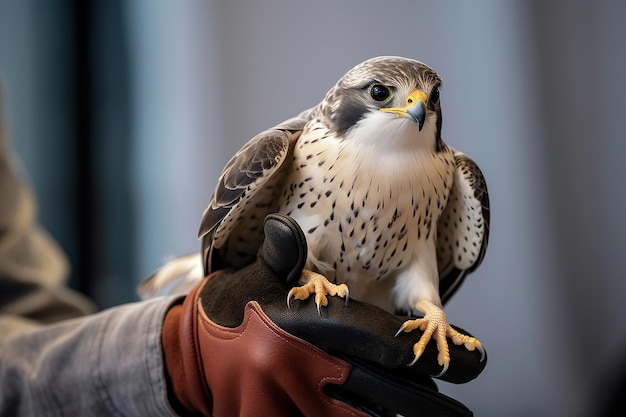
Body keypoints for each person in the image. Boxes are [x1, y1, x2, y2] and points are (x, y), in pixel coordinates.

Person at [0, 89, 484, 417]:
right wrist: (179, 352)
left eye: (428, 98)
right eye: (384, 93)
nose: (417, 107)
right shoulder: (293, 148)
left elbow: (33, 319)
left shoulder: (452, 175)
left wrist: (428, 309)